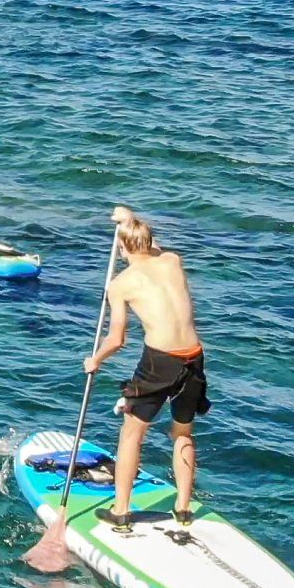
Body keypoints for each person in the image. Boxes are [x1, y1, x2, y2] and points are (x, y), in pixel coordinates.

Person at [84, 206, 209, 534]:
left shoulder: (121, 284)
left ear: (122, 247)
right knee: (183, 433)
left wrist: (95, 360)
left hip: (159, 362)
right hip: (194, 357)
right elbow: (151, 246)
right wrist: (130, 220)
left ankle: (121, 511)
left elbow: (117, 339)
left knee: (132, 433)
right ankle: (183, 508)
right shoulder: (172, 261)